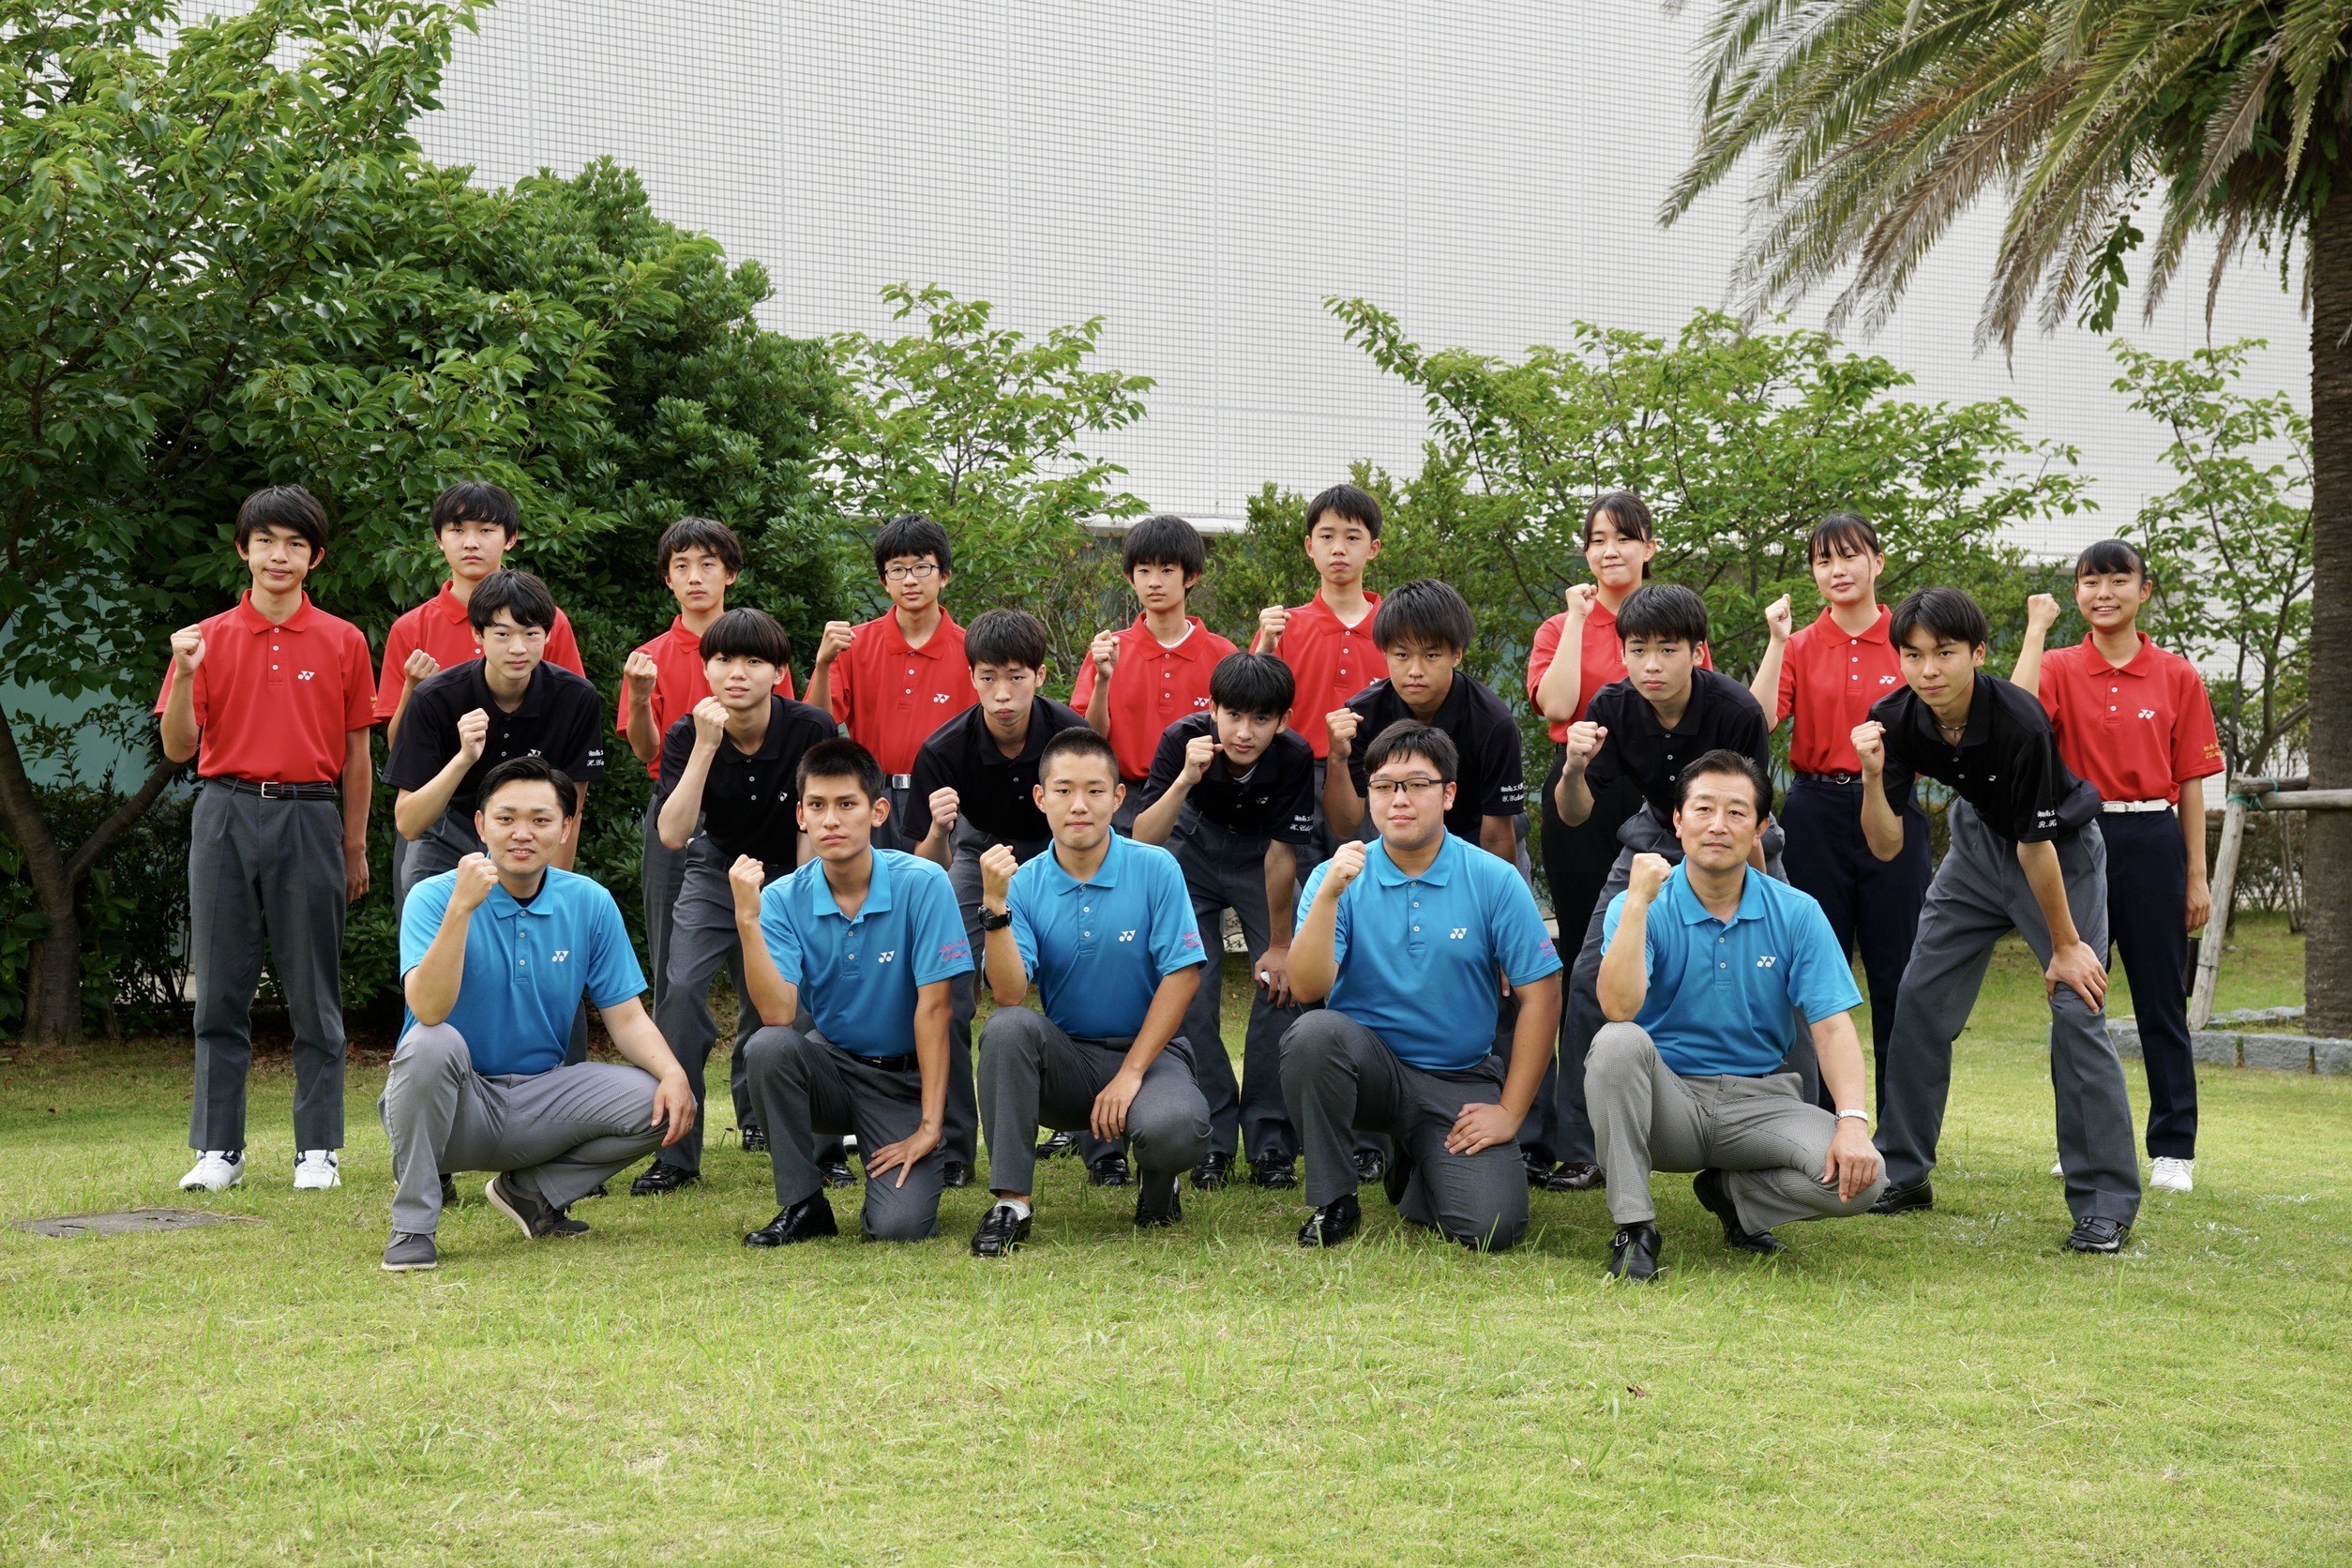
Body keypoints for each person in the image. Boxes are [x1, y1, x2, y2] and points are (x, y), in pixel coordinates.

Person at [1856, 587, 2142, 1253]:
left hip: (2058, 855)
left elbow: (2035, 845)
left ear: (1978, 653)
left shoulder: (2020, 720)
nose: (1929, 670)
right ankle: (1902, 1170)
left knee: (2077, 1006)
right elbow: (1886, 846)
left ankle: (2104, 1201)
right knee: (1918, 998)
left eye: (1945, 653)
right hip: (1977, 849)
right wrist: (1871, 777)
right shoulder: (1894, 718)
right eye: (1913, 655)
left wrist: (2066, 946)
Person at [379, 758, 696, 1272]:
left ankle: (532, 1193)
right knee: (430, 1042)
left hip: (541, 1098)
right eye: (505, 818)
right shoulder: (434, 897)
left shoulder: (589, 902)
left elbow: (627, 1018)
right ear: (481, 825)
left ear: (566, 828)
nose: (522, 833)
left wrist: (674, 1073)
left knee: (657, 1100)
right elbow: (428, 1009)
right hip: (455, 1107)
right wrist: (461, 909)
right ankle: (413, 1226)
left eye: (540, 820)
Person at [1587, 750, 1887, 1282]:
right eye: (1703, 809)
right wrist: (1635, 904)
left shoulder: (1797, 912)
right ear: (1678, 820)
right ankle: (1634, 1227)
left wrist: (1853, 1123)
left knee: (1866, 1179)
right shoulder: (1641, 906)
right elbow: (1619, 1008)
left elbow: (1832, 1028)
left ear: (1760, 828)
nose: (1718, 825)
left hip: (1760, 1104)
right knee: (1616, 1041)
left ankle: (1731, 1192)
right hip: (1667, 1105)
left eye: (1736, 812)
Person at [158, 486, 376, 1195]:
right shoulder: (203, 639)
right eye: (265, 542)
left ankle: (318, 1149)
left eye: (294, 544)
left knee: (314, 992)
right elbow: (178, 746)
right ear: (243, 550)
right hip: (223, 811)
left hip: (310, 814)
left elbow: (358, 756)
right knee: (220, 991)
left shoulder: (343, 639)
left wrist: (354, 845)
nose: (279, 556)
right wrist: (185, 675)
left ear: (316, 558)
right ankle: (218, 1148)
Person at [1283, 721, 1562, 1252]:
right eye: (1384, 786)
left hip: (1457, 1078)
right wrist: (1329, 896)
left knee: (1491, 1228)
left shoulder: (1494, 878)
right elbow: (1306, 988)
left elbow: (1542, 996)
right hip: (1369, 1072)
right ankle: (1335, 1198)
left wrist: (1509, 1112)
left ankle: (1414, 1164)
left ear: (1449, 794)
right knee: (1313, 1035)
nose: (1399, 800)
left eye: (1416, 784)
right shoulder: (1336, 876)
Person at [2012, 541, 2224, 1194]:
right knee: (2076, 994)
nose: (2103, 593)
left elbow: (2191, 781)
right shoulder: (2057, 666)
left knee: (2162, 998)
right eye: (2090, 581)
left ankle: (2173, 1149)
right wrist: (2035, 631)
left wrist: (2196, 875)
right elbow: (2016, 719)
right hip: (2078, 839)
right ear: (2076, 592)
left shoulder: (2178, 675)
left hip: (2153, 838)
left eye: (2118, 580)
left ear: (2144, 590)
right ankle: (2081, 1140)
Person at [1553, 582, 1780, 1188]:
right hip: (1655, 833)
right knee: (1588, 974)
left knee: (1781, 969)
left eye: (1667, 649)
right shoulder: (1611, 706)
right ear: (1622, 652)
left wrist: (1760, 899)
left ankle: (1797, 1124)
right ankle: (1582, 1147)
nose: (1651, 664)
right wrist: (1573, 767)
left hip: (1737, 839)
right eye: (1638, 649)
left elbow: (1752, 818)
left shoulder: (1736, 711)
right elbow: (1574, 813)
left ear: (1698, 652)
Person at [1525, 490, 1714, 1190]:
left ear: (1649, 547)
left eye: (1624, 537)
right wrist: (1578, 620)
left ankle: (1670, 1114)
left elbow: (1704, 707)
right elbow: (1556, 705)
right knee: (1587, 954)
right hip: (1584, 782)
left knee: (1673, 953)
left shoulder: (1674, 617)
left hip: (1671, 798)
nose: (1610, 550)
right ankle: (1580, 1140)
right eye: (1597, 539)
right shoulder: (1560, 625)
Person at [969, 729, 1214, 1255]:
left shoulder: (1155, 868)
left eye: (1095, 790)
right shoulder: (1025, 883)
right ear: (1041, 798)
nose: (1078, 805)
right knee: (1007, 1027)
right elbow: (1009, 993)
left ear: (1118, 797)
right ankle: (1012, 1202)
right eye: (1063, 790)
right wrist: (995, 907)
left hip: (1150, 1057)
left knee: (1175, 1129)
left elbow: (1183, 975)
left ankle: (1159, 1178)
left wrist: (1131, 1073)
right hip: (1070, 1060)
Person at [632, 609, 838, 1196]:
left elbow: (819, 818)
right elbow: (673, 833)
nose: (737, 673)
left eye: (754, 661)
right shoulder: (685, 733)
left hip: (793, 870)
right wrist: (705, 746)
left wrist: (805, 898)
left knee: (806, 999)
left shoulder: (811, 728)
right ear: (706, 669)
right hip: (715, 868)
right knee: (679, 993)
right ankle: (676, 1155)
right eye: (723, 660)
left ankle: (823, 1150)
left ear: (779, 672)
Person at [729, 740, 967, 1244]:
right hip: (833, 1067)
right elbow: (777, 1013)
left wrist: (930, 1126)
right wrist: (747, 921)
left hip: (903, 1081)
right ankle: (803, 1203)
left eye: (846, 804)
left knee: (898, 1229)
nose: (831, 820)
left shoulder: (923, 882)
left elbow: (937, 1009)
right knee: (768, 1047)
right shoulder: (782, 898)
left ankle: (917, 1154)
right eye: (817, 806)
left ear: (878, 811)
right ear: (801, 815)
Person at [899, 609, 1095, 1184]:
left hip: (1061, 852)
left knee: (1086, 972)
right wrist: (939, 828)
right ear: (972, 678)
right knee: (947, 988)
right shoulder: (943, 749)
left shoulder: (1071, 735)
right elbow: (925, 867)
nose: (1002, 694)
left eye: (1016, 677)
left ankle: (1099, 1141)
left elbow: (1095, 820)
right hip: (975, 852)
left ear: (1040, 676)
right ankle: (953, 1146)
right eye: (988, 678)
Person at [1745, 512, 1928, 1109]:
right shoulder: (1800, 644)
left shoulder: (1910, 639)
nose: (1838, 570)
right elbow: (1758, 721)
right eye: (1824, 560)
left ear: (1878, 561)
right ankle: (1820, 1123)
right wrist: (1777, 642)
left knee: (1900, 973)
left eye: (1850, 555)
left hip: (1891, 807)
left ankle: (1901, 1134)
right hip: (1814, 811)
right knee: (1812, 970)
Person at [1244, 480, 1387, 1187]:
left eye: (1352, 537)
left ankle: (1368, 1131)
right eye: (1326, 536)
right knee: (1288, 955)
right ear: (1308, 546)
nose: (1339, 549)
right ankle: (1270, 1135)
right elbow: (1251, 706)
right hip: (1295, 795)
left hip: (1378, 797)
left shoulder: (1396, 627)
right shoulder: (1284, 626)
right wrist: (1267, 642)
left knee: (1371, 955)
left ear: (1373, 549)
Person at [1134, 652, 1318, 1190]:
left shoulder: (1294, 756)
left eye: (1261, 719)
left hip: (1263, 857)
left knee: (1287, 983)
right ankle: (1211, 1140)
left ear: (1282, 721)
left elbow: (1283, 856)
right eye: (1233, 715)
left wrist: (1280, 945)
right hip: (1191, 849)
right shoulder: (1180, 738)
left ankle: (1271, 1140)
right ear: (1212, 709)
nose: (1244, 732)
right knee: (1188, 985)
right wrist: (1184, 780)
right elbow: (1144, 839)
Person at [375, 482, 588, 919]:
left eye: (486, 530)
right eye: (457, 530)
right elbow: (402, 752)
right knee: (433, 930)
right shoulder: (411, 627)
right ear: (439, 539)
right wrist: (413, 689)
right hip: (441, 815)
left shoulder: (548, 621)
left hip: (526, 816)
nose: (471, 542)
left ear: (510, 538)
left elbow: (567, 730)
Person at [617, 518, 786, 1046]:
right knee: (676, 960)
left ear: (729, 573)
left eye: (707, 564)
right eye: (681, 566)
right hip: (679, 808)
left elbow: (786, 733)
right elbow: (646, 751)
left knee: (762, 953)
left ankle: (759, 1082)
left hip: (757, 812)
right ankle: (675, 1082)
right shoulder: (650, 657)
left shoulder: (758, 642)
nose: (695, 577)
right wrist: (639, 697)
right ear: (667, 578)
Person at [384, 569, 606, 905]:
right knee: (434, 928)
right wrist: (463, 759)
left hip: (529, 834)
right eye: (502, 634)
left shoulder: (576, 697)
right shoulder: (434, 698)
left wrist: (553, 894)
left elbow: (569, 811)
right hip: (447, 833)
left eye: (531, 634)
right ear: (478, 633)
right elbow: (409, 824)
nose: (518, 648)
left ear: (548, 635)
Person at [1325, 579, 1524, 867]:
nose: (1415, 671)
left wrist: (1494, 892)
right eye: (1402, 655)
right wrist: (1337, 757)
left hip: (1477, 844)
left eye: (1431, 655)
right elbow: (1344, 826)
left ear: (1456, 654)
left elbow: (1496, 836)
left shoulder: (1493, 723)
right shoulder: (1361, 716)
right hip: (1398, 844)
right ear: (1385, 653)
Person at [805, 513, 974, 849]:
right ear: (884, 581)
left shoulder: (972, 650)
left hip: (946, 801)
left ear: (944, 576)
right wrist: (823, 664)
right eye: (897, 569)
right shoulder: (852, 645)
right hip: (871, 798)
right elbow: (816, 727)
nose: (909, 580)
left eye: (922, 567)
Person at [1071, 514, 1239, 831]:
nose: (1154, 582)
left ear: (1191, 576)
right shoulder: (1108, 650)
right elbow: (1088, 740)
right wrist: (1103, 680)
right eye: (1144, 570)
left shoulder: (1223, 654)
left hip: (1201, 798)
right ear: (1130, 578)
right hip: (1123, 799)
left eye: (1166, 570)